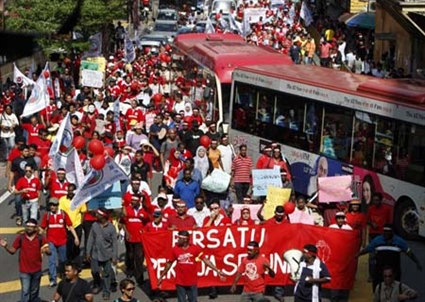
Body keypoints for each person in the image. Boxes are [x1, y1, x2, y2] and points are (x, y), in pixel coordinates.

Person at [157, 230, 225, 302]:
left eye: (179, 238)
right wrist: (161, 276)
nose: (178, 240)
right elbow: (169, 264)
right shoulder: (175, 249)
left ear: (185, 239)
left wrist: (217, 270)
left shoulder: (195, 248)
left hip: (192, 282)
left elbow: (205, 260)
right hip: (180, 282)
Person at [356, 224, 422, 291]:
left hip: (394, 271)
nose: (386, 233)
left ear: (392, 232)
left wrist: (417, 262)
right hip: (379, 271)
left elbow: (409, 253)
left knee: (395, 290)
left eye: (388, 231)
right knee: (377, 289)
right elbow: (368, 249)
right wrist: (358, 254)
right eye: (384, 231)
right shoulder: (377, 240)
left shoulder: (400, 242)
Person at [0, 218, 51, 302]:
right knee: (25, 291)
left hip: (37, 270)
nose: (29, 228)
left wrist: (46, 250)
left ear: (35, 228)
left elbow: (48, 251)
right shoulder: (21, 238)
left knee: (34, 291)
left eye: (31, 226)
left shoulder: (40, 238)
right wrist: (6, 246)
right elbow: (13, 250)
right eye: (27, 226)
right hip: (24, 271)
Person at [40, 197, 80, 287]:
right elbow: (42, 229)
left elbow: (70, 226)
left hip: (62, 241)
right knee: (51, 260)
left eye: (54, 205)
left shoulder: (63, 214)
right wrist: (40, 241)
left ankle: (63, 274)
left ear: (57, 205)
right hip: (51, 241)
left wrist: (76, 237)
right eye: (51, 205)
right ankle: (53, 279)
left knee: (63, 260)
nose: (52, 207)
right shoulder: (47, 216)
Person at [86, 208, 118, 300]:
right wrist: (88, 252)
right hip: (95, 254)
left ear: (103, 216)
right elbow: (90, 239)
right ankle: (98, 283)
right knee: (94, 271)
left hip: (107, 255)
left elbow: (114, 243)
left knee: (106, 274)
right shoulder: (94, 225)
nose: (96, 216)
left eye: (98, 214)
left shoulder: (111, 228)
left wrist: (114, 256)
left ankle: (106, 291)